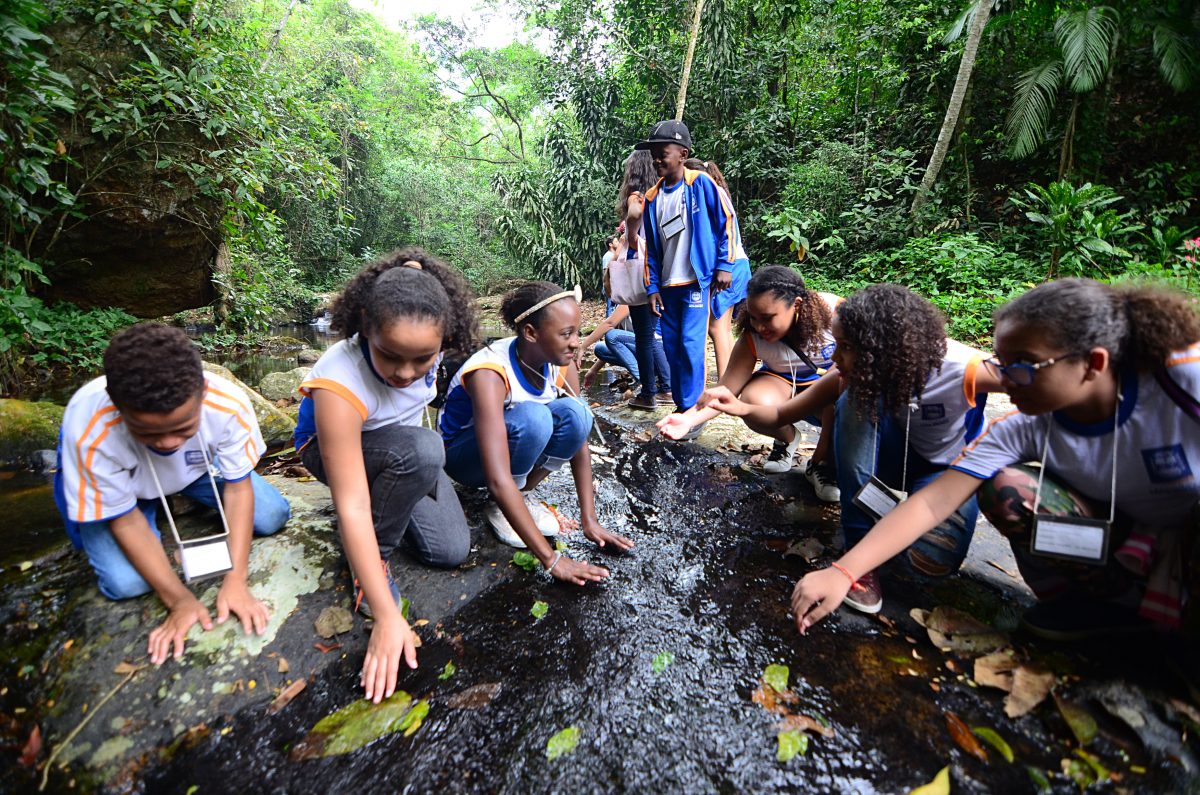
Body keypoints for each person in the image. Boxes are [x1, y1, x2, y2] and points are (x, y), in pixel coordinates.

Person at [789, 279, 1200, 642]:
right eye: (1002, 360)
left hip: (1184, 532)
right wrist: (844, 572)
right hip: (1122, 535)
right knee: (1008, 488)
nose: (1005, 376)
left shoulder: (1181, 380)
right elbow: (934, 501)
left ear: (1093, 364)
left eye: (1020, 365)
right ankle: (1092, 608)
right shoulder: (1021, 427)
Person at [705, 284, 1003, 613]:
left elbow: (1037, 384)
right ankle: (858, 544)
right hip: (886, 458)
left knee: (928, 565)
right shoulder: (849, 373)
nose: (834, 359)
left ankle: (889, 526)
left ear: (886, 349)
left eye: (844, 347)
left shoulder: (965, 368)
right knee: (852, 395)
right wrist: (740, 407)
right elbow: (780, 414)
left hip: (942, 475)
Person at [294, 248, 478, 702]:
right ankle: (369, 560)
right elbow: (353, 502)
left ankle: (400, 485)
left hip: (401, 451)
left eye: (422, 360)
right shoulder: (340, 378)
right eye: (390, 356)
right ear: (364, 326)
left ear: (444, 339)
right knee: (424, 450)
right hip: (333, 450)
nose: (405, 372)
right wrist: (386, 613)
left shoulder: (429, 346)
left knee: (450, 550)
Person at [55, 324, 291, 665]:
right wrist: (179, 600)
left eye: (182, 428)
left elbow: (238, 489)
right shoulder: (90, 428)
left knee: (271, 515)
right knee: (127, 583)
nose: (167, 443)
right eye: (148, 432)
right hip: (127, 488)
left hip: (195, 472)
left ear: (203, 392)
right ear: (117, 408)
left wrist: (236, 579)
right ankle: (155, 502)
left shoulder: (226, 404)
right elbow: (125, 521)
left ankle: (175, 496)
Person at [440, 281, 635, 582]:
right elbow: (495, 475)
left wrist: (590, 520)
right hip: (464, 458)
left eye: (577, 332)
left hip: (507, 446)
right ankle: (503, 507)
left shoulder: (560, 362)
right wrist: (552, 559)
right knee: (534, 419)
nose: (576, 343)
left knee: (578, 413)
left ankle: (523, 494)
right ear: (531, 333)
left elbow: (579, 435)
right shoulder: (490, 373)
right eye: (565, 333)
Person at [658, 266, 841, 501]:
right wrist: (688, 419)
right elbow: (726, 392)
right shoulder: (752, 337)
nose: (759, 327)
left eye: (767, 318)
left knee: (839, 393)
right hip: (782, 384)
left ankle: (821, 463)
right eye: (753, 317)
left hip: (830, 389)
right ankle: (787, 439)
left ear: (796, 305)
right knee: (751, 399)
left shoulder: (835, 314)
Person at [637, 119, 745, 416]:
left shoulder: (700, 183)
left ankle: (693, 411)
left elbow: (727, 222)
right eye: (654, 153)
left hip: (697, 282)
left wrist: (725, 264)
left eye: (663, 152)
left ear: (682, 154)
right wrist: (652, 287)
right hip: (668, 286)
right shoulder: (651, 198)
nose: (657, 159)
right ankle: (685, 405)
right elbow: (651, 251)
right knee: (671, 345)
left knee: (690, 343)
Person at [684, 157, 751, 380]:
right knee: (720, 327)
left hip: (731, 266)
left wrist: (723, 267)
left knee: (717, 328)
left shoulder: (709, 192)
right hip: (735, 265)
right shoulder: (716, 191)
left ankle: (727, 385)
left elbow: (724, 235)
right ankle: (731, 382)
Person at [617, 151, 673, 409]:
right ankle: (665, 388)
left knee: (644, 336)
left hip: (643, 271)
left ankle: (651, 392)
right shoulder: (662, 193)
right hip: (665, 267)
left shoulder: (637, 196)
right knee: (654, 334)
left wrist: (629, 236)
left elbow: (633, 215)